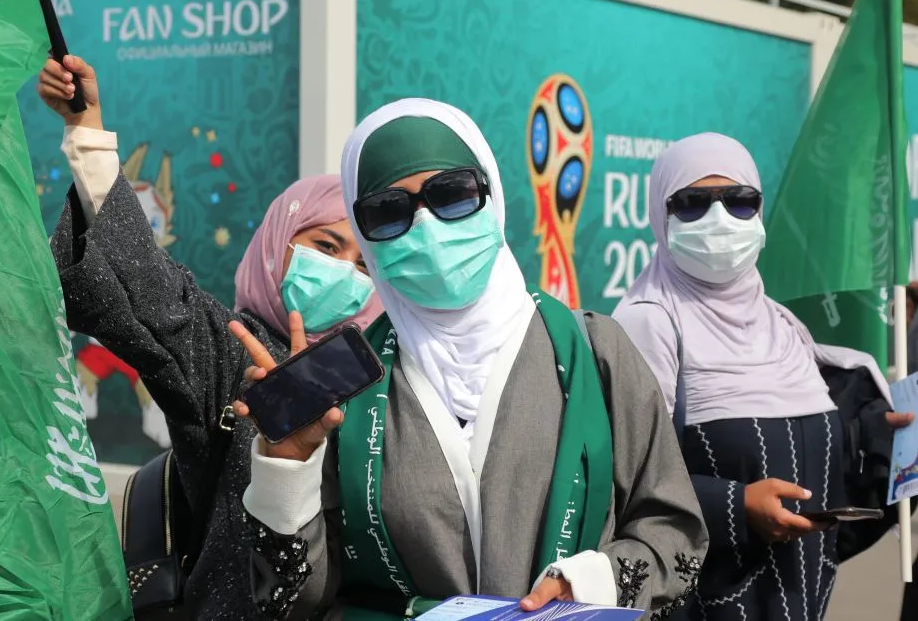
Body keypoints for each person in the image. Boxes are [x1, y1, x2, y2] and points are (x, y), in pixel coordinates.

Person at [230, 98, 709, 620]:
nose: (427, 226)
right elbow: (301, 599)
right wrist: (288, 467)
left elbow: (676, 536)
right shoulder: (347, 382)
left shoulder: (594, 351)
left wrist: (590, 582)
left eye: (452, 195)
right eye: (388, 211)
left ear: (491, 194)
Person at [38, 55, 382, 619]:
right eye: (325, 246)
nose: (346, 271)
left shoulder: (381, 374)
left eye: (364, 263)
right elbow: (147, 285)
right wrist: (88, 131)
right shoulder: (228, 349)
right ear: (279, 241)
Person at [613, 133, 912, 621]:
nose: (719, 220)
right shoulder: (649, 323)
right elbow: (626, 482)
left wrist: (884, 443)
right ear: (659, 215)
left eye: (739, 201)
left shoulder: (784, 326)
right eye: (691, 203)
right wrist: (737, 504)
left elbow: (824, 481)